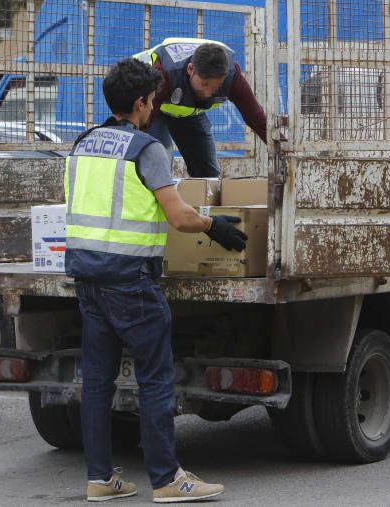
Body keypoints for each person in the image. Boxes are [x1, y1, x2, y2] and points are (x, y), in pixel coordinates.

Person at [65, 58, 248, 503]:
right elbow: (179, 216)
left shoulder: (83, 143)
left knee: (97, 383)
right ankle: (167, 479)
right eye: (152, 100)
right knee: (154, 380)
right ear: (144, 102)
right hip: (131, 283)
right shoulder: (146, 149)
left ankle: (100, 478)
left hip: (88, 279)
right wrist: (214, 225)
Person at [134, 37, 267, 177]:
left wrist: (285, 149)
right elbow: (138, 123)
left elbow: (257, 119)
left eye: (215, 87)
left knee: (209, 176)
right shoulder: (164, 74)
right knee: (159, 165)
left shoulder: (233, 78)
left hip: (188, 111)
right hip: (148, 107)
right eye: (204, 84)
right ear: (190, 69)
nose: (208, 93)